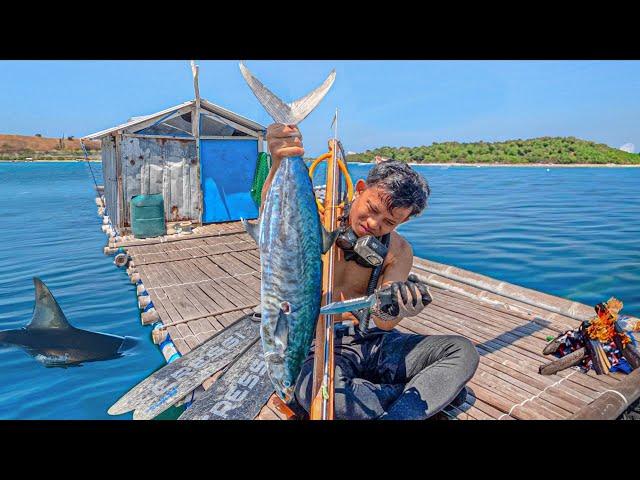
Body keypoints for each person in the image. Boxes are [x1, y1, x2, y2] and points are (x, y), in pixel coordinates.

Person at [261, 123, 479, 420]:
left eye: (389, 222)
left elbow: (385, 323)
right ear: (360, 189)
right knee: (335, 402)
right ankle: (413, 400)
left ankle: (394, 411)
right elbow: (273, 215)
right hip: (317, 345)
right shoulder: (316, 223)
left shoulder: (399, 251)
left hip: (371, 341)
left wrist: (399, 305)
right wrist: (278, 159)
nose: (375, 224)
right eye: (372, 209)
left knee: (462, 352)